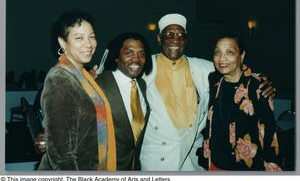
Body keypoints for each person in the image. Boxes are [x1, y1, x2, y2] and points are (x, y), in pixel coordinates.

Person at [140, 13, 275, 171]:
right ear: (159, 39)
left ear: (186, 40)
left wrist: (262, 80)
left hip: (190, 160)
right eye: (169, 34)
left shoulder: (204, 68)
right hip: (155, 159)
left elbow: (233, 68)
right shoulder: (143, 68)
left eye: (180, 35)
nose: (175, 40)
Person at [38, 10, 116, 170]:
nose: (88, 44)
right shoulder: (59, 79)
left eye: (92, 37)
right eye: (79, 38)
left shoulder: (81, 75)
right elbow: (62, 157)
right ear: (62, 42)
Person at [200, 35, 281, 171]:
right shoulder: (214, 80)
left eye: (229, 52)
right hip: (214, 164)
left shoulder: (258, 88)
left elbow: (269, 134)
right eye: (217, 52)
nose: (222, 58)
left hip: (245, 168)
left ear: (241, 55)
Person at [95, 32, 152, 170]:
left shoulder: (142, 86)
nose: (136, 59)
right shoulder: (99, 85)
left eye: (141, 54)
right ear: (116, 56)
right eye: (129, 53)